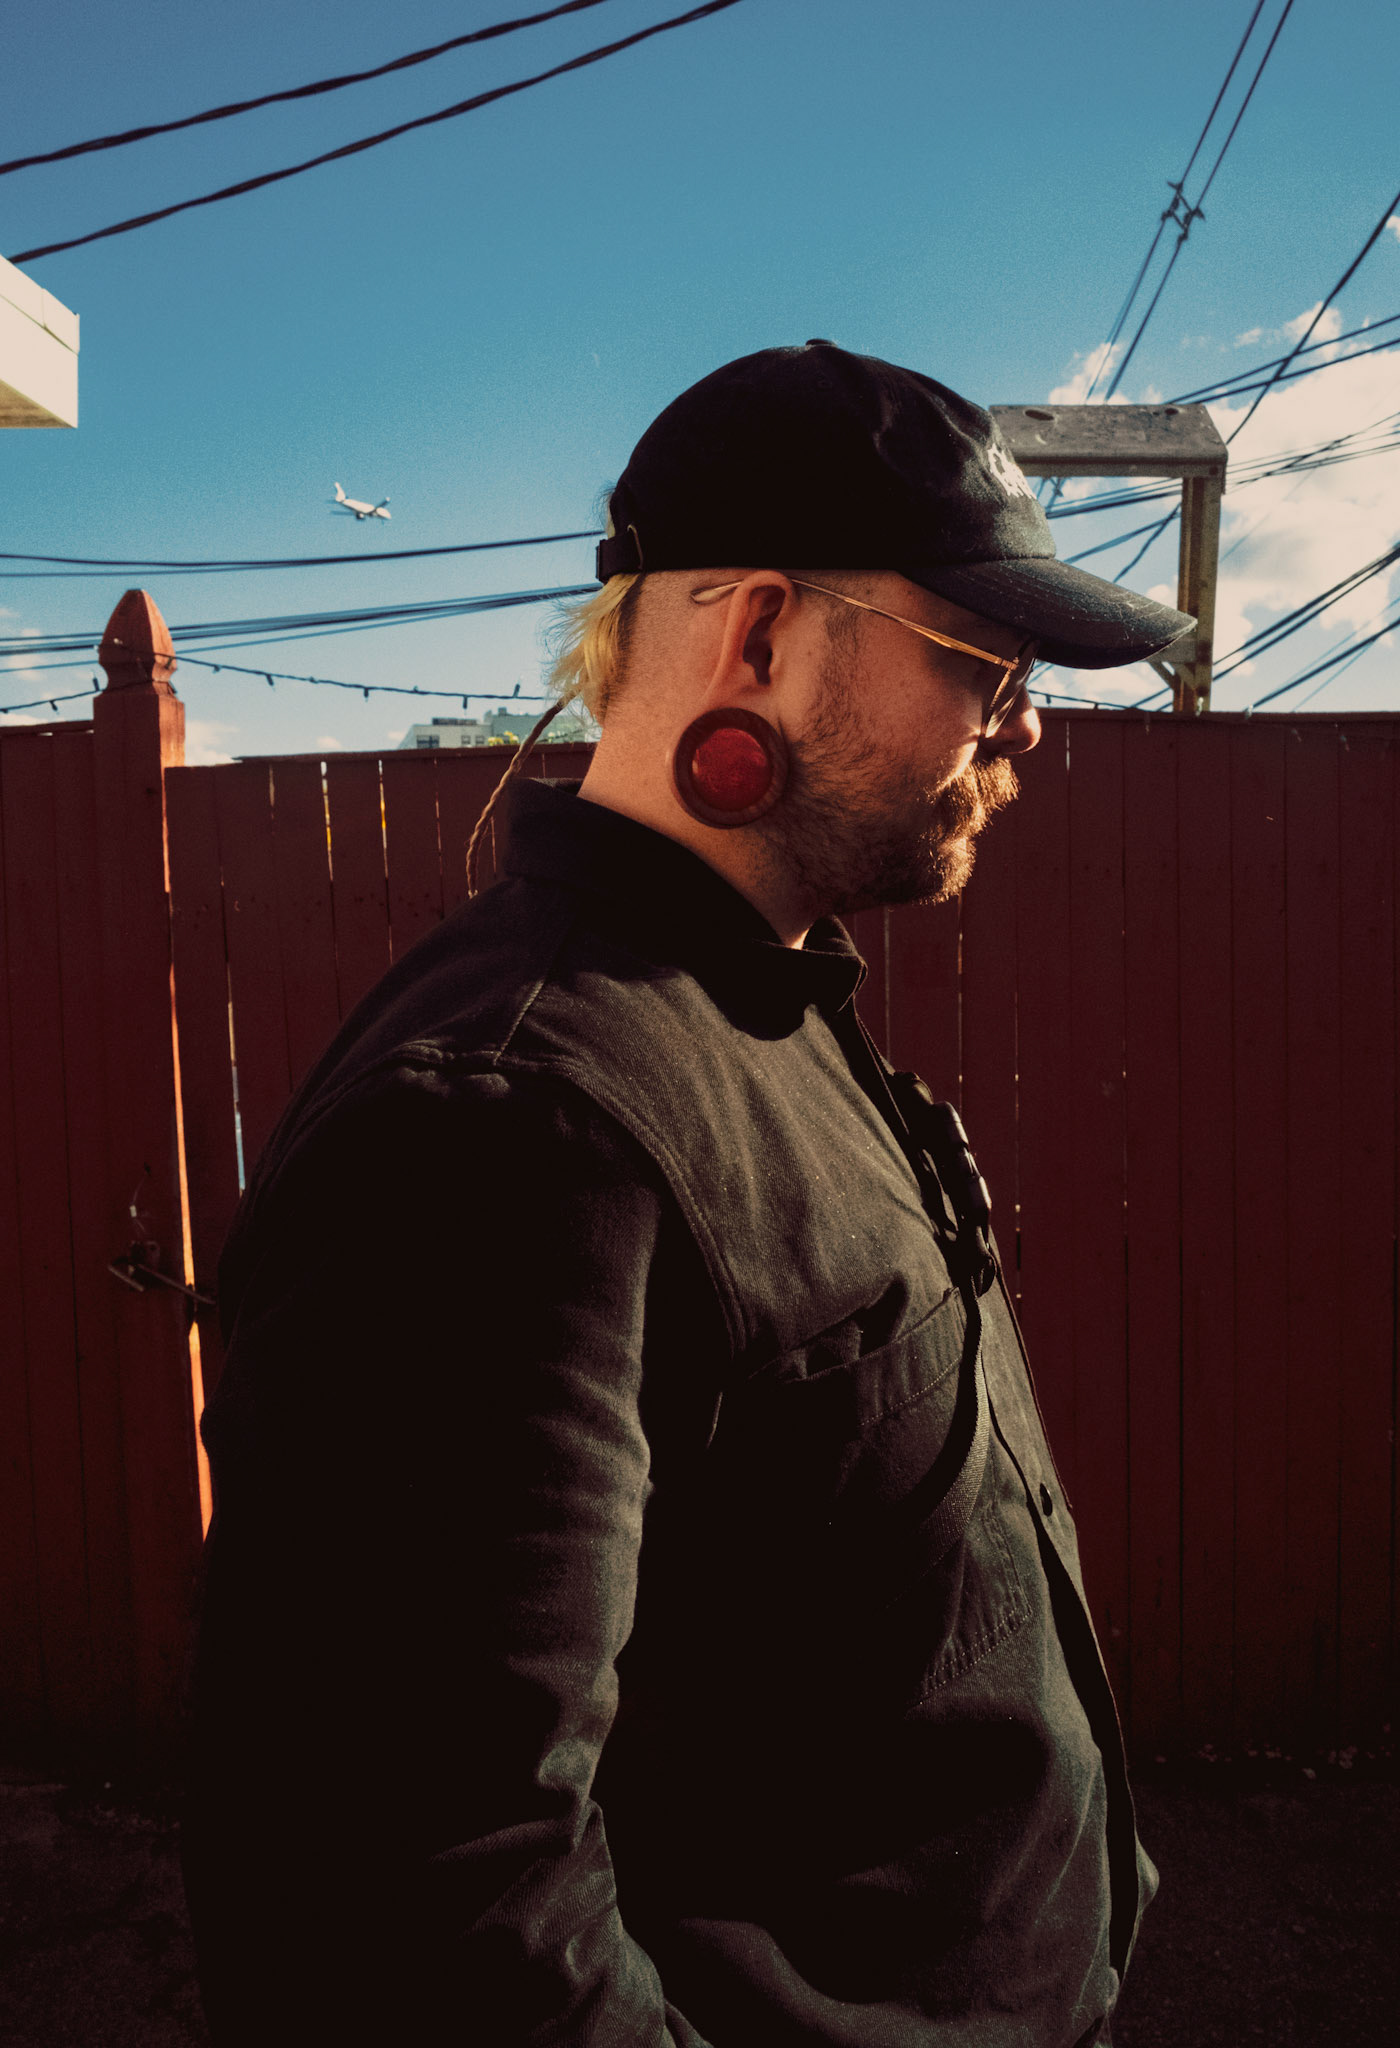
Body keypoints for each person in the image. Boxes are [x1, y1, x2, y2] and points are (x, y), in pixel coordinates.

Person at [180, 341, 1193, 2047]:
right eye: (983, 660)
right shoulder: (510, 1127)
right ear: (763, 637)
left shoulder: (754, 1009)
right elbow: (406, 1908)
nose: (1024, 722)